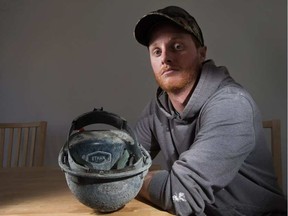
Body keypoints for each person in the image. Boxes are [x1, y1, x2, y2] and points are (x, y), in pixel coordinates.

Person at [133, 5, 287, 216]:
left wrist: (133, 180)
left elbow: (181, 194)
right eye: (156, 51)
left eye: (177, 46)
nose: (165, 58)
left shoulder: (232, 104)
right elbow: (122, 160)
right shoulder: (158, 107)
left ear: (201, 53)